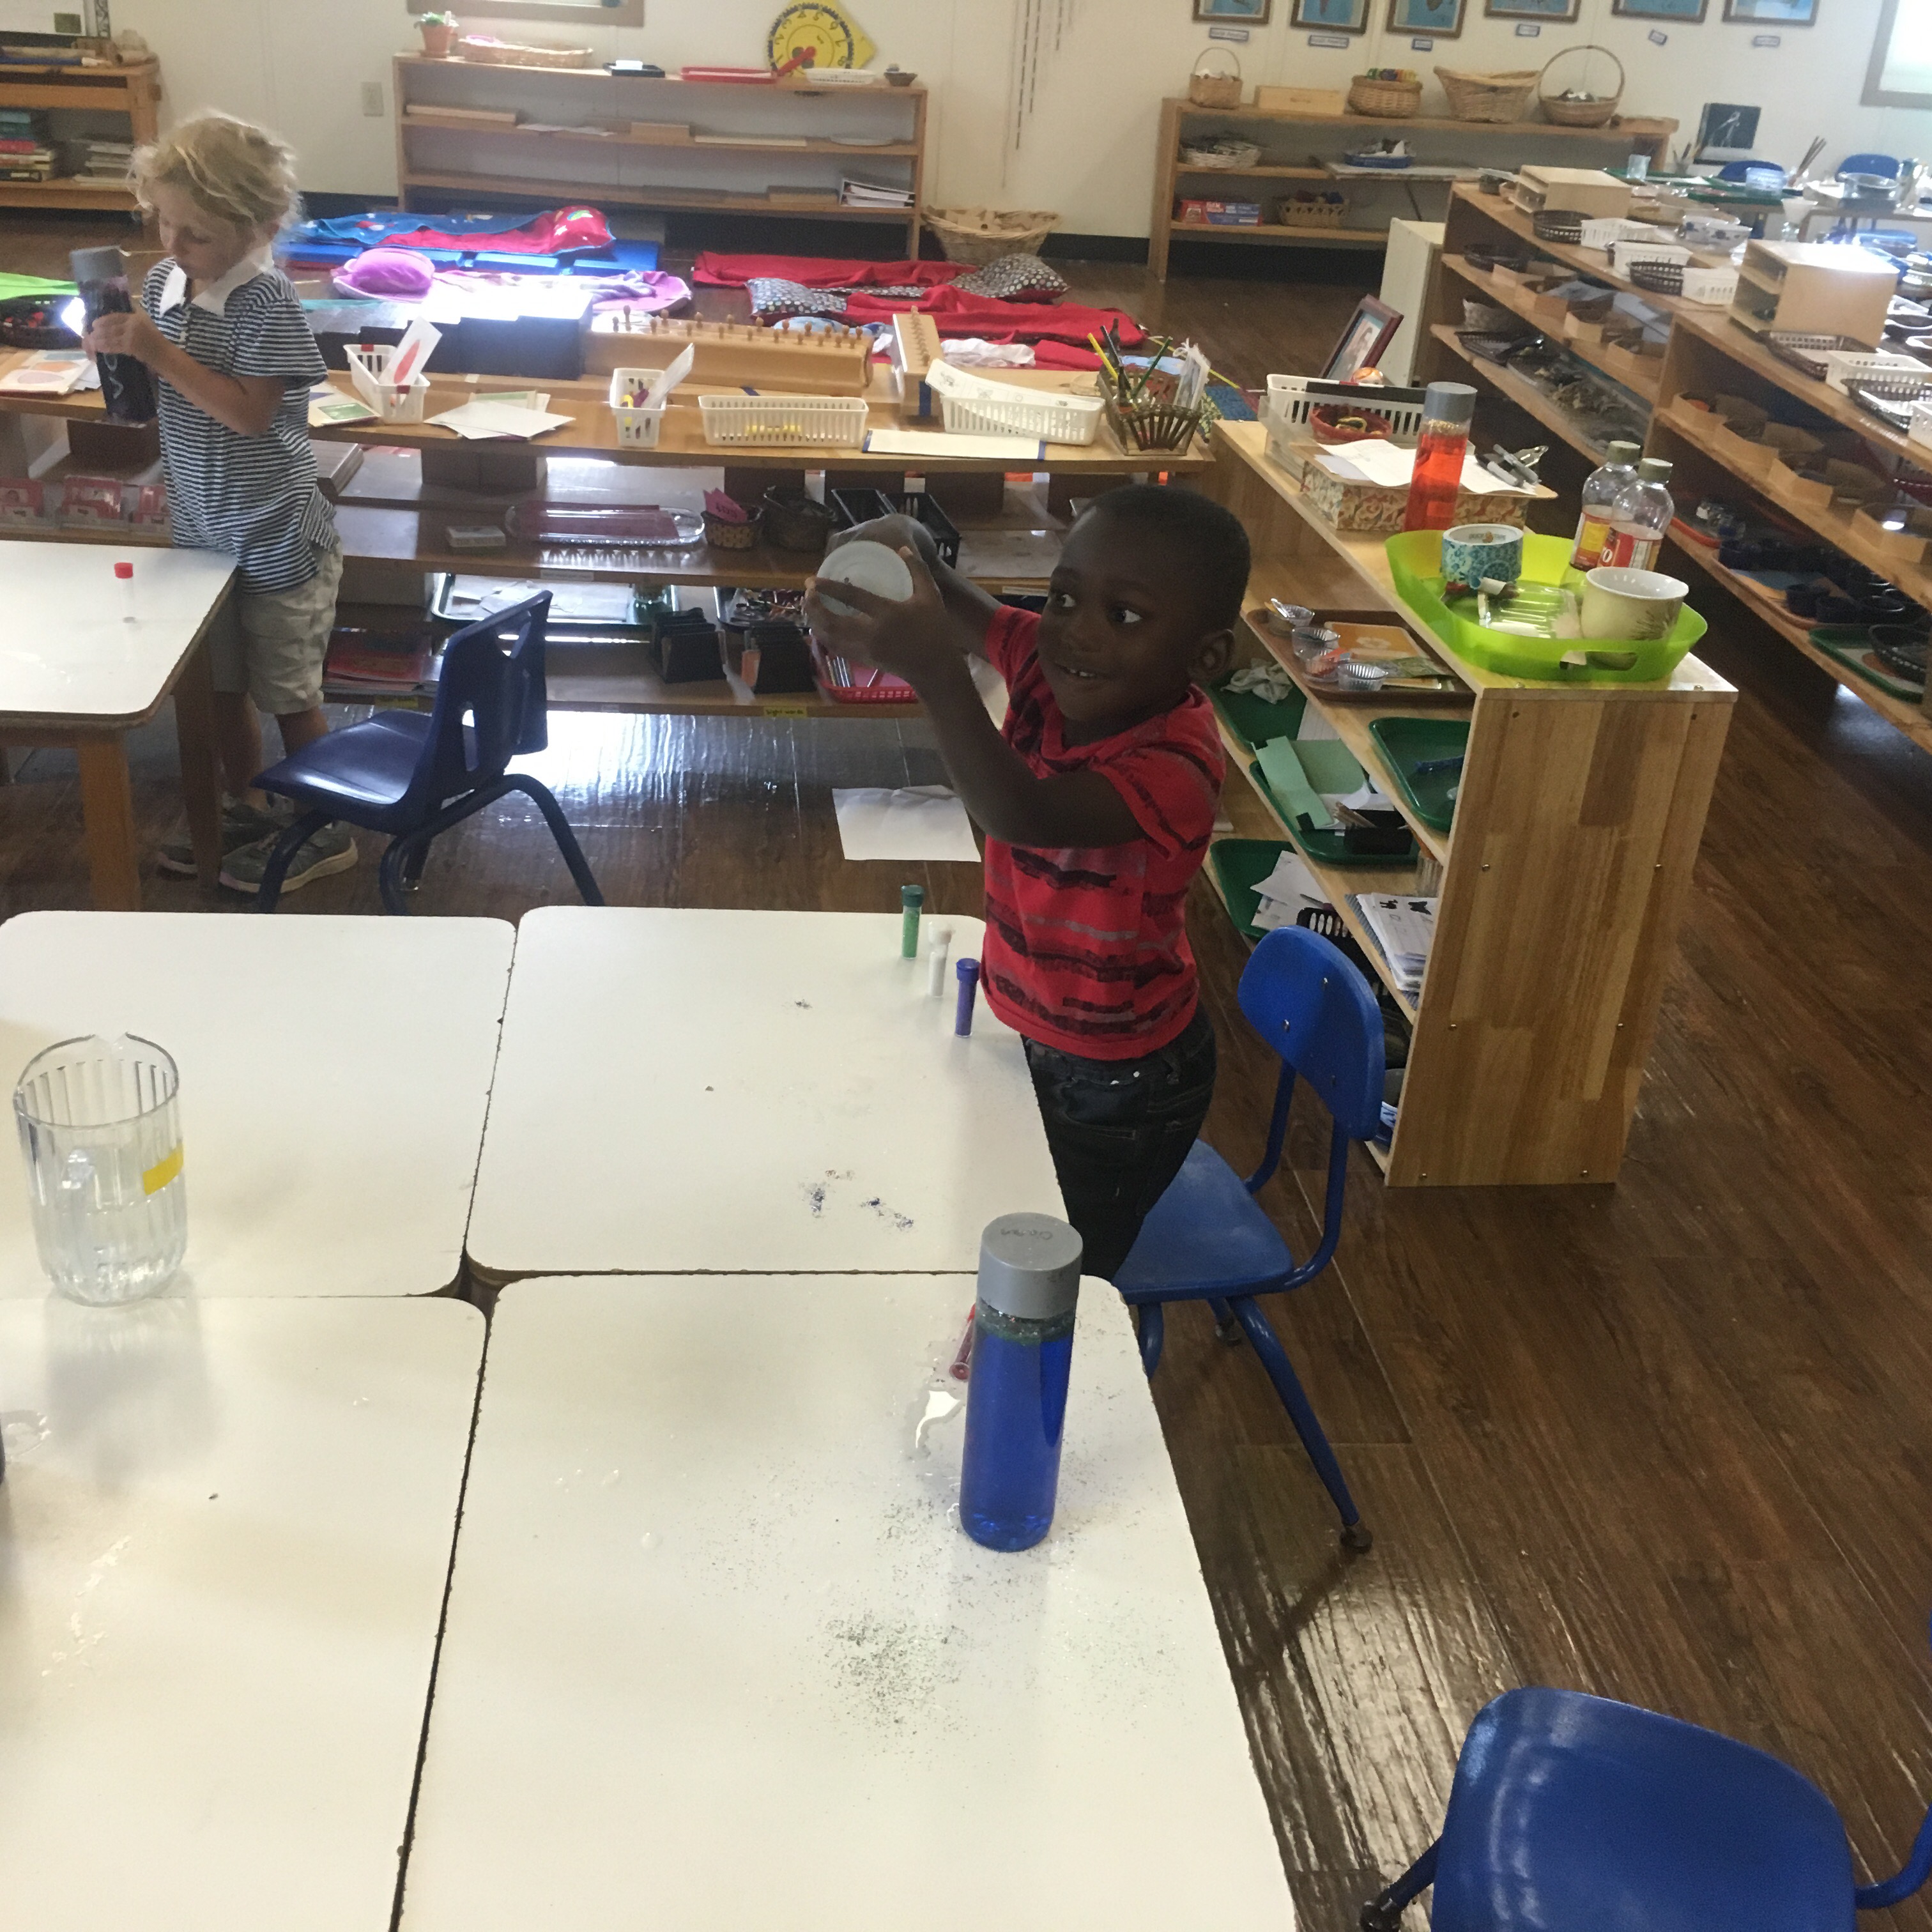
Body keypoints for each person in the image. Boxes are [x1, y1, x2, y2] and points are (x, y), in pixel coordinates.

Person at [804, 487, 1247, 1280]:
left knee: (1057, 1275)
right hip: (1038, 1031)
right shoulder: (1052, 663)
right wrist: (907, 545)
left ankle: (1059, 1345)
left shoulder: (1176, 764)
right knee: (1002, 1217)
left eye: (1126, 616)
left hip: (1121, 1082)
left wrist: (937, 674)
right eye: (1064, 597)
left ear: (1206, 658)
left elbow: (1020, 813)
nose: (1078, 631)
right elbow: (953, 596)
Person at [84, 112, 354, 893]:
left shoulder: (267, 302)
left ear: (260, 227)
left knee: (290, 693)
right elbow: (159, 388)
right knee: (221, 686)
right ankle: (251, 803)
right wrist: (120, 353)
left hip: (275, 535)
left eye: (195, 233)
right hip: (203, 527)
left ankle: (324, 824)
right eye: (162, 222)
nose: (172, 245)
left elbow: (248, 414)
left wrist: (157, 351)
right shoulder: (169, 282)